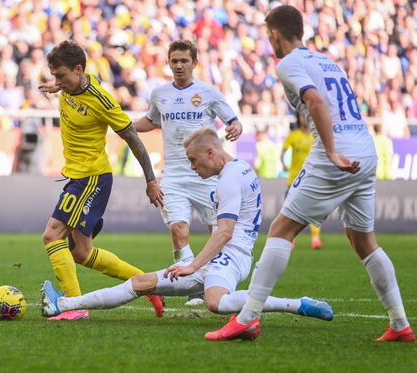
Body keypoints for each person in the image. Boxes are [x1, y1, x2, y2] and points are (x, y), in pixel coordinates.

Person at [205, 5, 414, 342]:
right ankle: (400, 324)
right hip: (365, 148)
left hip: (337, 152)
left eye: (267, 35)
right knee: (364, 241)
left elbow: (315, 101)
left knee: (281, 230)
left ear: (274, 34)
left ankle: (247, 317)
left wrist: (331, 151)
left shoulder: (288, 63)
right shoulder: (326, 61)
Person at [42, 128, 333, 325]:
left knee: (216, 303)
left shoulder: (230, 178)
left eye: (194, 160)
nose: (193, 167)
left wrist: (192, 266)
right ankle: (65, 305)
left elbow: (225, 231)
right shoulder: (242, 169)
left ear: (210, 152)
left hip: (229, 258)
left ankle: (298, 304)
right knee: (141, 283)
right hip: (225, 256)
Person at [37, 40, 164, 320]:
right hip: (77, 176)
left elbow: (133, 138)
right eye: (54, 76)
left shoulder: (102, 101)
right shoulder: (71, 84)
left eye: (60, 76)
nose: (56, 81)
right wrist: (59, 85)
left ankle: (74, 306)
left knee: (52, 235)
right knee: (81, 252)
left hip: (91, 178)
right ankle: (148, 284)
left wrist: (151, 180)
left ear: (78, 69)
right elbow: (73, 85)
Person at [134, 40, 243, 306]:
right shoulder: (160, 94)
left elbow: (233, 121)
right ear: (169, 63)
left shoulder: (209, 93)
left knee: (216, 230)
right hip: (174, 175)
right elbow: (151, 120)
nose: (179, 65)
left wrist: (236, 127)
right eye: (175, 61)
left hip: (206, 175)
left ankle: (216, 281)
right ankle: (192, 287)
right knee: (178, 229)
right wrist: (124, 126)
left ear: (195, 62)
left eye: (184, 61)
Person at [280, 113, 322, 249]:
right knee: (290, 209)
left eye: (307, 116)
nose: (305, 119)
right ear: (299, 118)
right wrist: (283, 164)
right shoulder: (293, 135)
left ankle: (315, 238)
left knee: (314, 209)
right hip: (294, 178)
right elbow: (283, 151)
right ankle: (291, 238)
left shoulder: (316, 135)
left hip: (312, 178)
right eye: (302, 116)